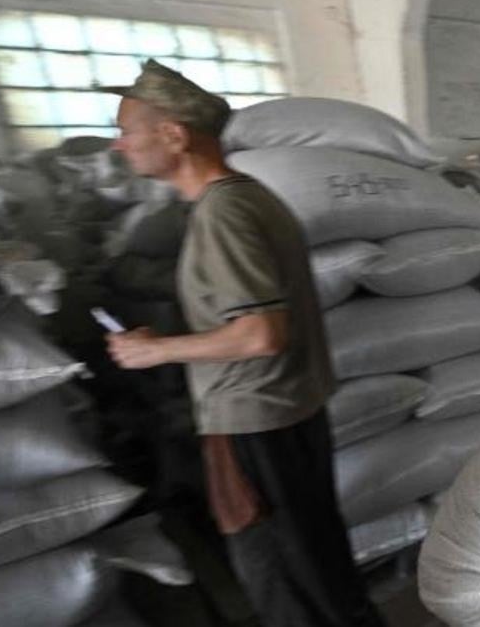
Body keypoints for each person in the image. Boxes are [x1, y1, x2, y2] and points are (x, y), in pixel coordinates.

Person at [102, 60, 384, 627]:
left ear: (174, 135)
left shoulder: (223, 212)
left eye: (129, 130)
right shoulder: (250, 197)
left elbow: (260, 334)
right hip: (286, 415)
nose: (120, 144)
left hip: (253, 423)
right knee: (318, 571)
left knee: (282, 579)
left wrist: (156, 351)